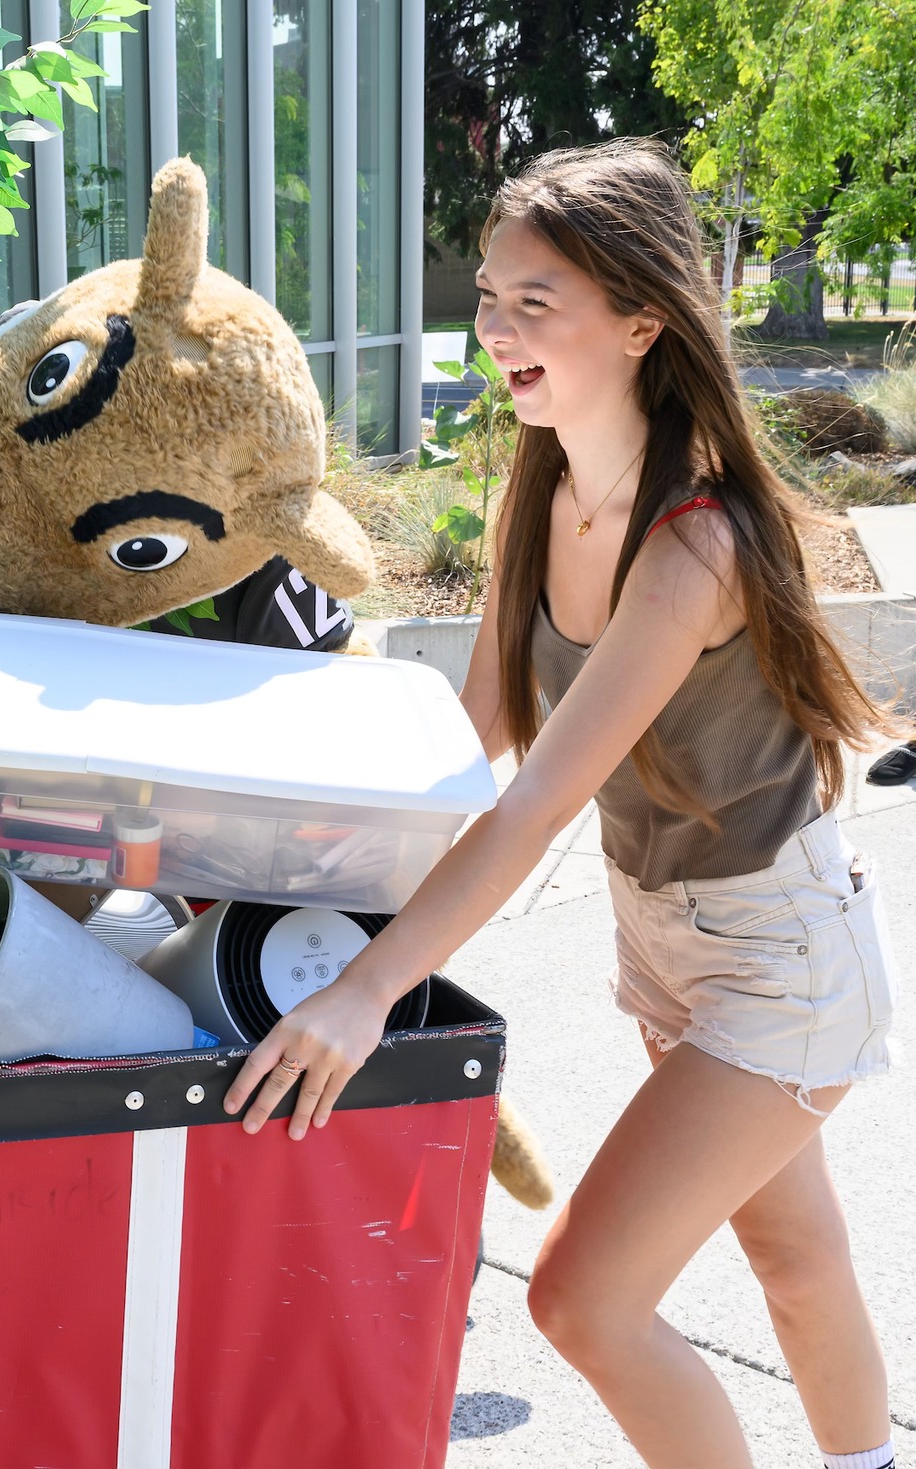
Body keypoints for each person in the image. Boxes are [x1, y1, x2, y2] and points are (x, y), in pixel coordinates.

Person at [223, 139, 902, 1469]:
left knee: (581, 1297)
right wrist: (277, 826)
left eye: (535, 303)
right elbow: (468, 734)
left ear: (642, 320)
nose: (493, 330)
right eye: (487, 296)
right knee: (798, 1257)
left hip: (780, 956)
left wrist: (368, 990)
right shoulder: (535, 485)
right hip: (666, 948)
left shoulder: (696, 539)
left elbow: (534, 802)